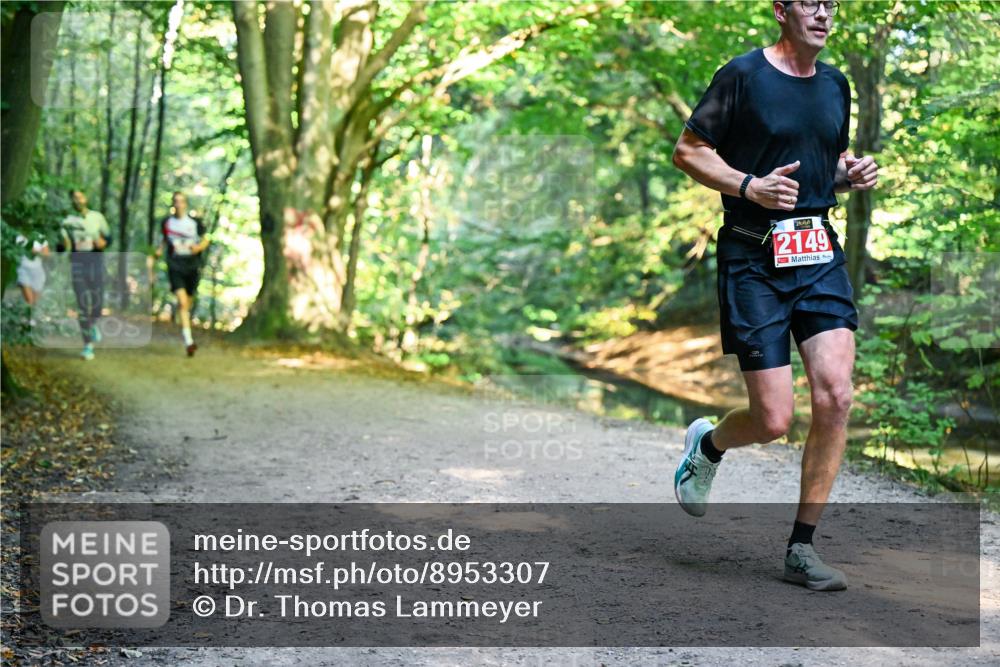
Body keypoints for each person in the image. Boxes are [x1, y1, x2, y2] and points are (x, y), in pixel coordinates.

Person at [670, 0, 878, 591]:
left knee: (836, 395)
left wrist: (850, 175)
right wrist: (747, 185)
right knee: (773, 419)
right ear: (781, 10)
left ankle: (801, 550)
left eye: (831, 4)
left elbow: (823, 167)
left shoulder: (835, 85)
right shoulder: (742, 76)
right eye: (811, 2)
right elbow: (688, 151)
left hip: (817, 252)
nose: (824, 13)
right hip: (753, 257)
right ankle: (708, 446)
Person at [58, 190, 112, 361]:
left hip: (96, 264)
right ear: (72, 201)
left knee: (97, 304)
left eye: (80, 196)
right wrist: (63, 245)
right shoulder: (67, 221)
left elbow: (108, 237)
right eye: (75, 198)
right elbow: (61, 246)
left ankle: (93, 324)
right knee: (82, 305)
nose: (78, 200)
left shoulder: (97, 217)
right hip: (78, 265)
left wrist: (103, 243)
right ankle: (87, 345)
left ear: (85, 198)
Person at [157, 192, 209, 356]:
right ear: (173, 204)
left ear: (185, 204)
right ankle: (189, 341)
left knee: (187, 304)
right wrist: (158, 251)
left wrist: (198, 248)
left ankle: (183, 318)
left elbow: (206, 239)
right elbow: (164, 239)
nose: (178, 204)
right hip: (175, 265)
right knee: (182, 301)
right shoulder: (167, 222)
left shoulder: (195, 222)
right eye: (176, 201)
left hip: (192, 266)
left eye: (181, 201)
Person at [16, 233, 50, 324]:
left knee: (34, 301)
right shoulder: (18, 236)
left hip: (37, 271)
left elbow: (47, 253)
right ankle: (29, 322)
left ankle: (31, 320)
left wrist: (36, 251)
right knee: (29, 299)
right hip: (23, 269)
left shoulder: (40, 237)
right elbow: (15, 251)